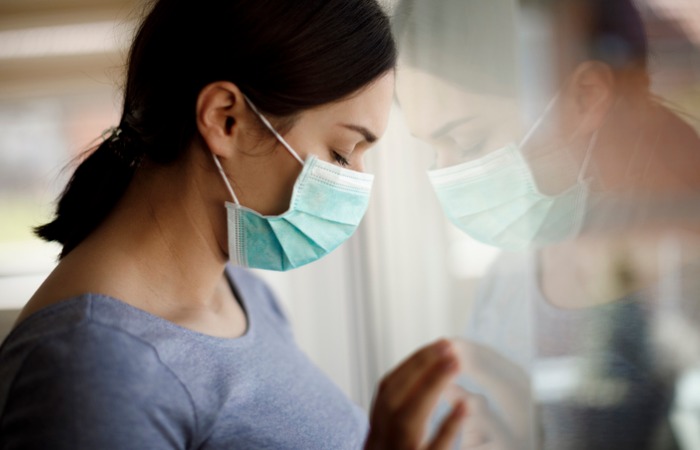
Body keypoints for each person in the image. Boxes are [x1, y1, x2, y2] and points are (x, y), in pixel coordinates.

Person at [0, 1, 467, 448]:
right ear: (225, 119)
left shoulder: (240, 290)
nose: (358, 183)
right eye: (342, 152)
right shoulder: (89, 367)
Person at [394, 0, 700, 448]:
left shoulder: (680, 282)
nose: (447, 178)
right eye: (432, 149)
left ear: (586, 96)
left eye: (467, 141)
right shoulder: (511, 279)